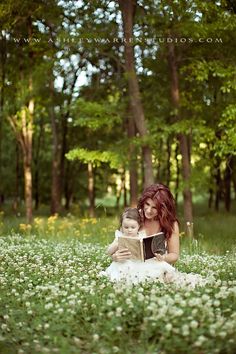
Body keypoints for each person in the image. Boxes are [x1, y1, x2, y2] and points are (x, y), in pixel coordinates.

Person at [102, 184, 208, 288]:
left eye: (154, 207)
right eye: (147, 204)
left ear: (163, 209)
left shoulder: (171, 224)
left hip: (156, 263)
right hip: (132, 263)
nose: (148, 210)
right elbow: (119, 241)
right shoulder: (135, 216)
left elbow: (174, 255)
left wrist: (163, 257)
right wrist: (115, 256)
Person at [101, 206, 176, 284]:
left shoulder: (141, 236)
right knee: (123, 272)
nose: (129, 230)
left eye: (133, 227)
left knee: (156, 265)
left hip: (139, 262)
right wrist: (116, 244)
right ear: (121, 227)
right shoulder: (120, 236)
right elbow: (109, 251)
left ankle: (167, 274)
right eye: (126, 227)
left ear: (138, 227)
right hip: (125, 261)